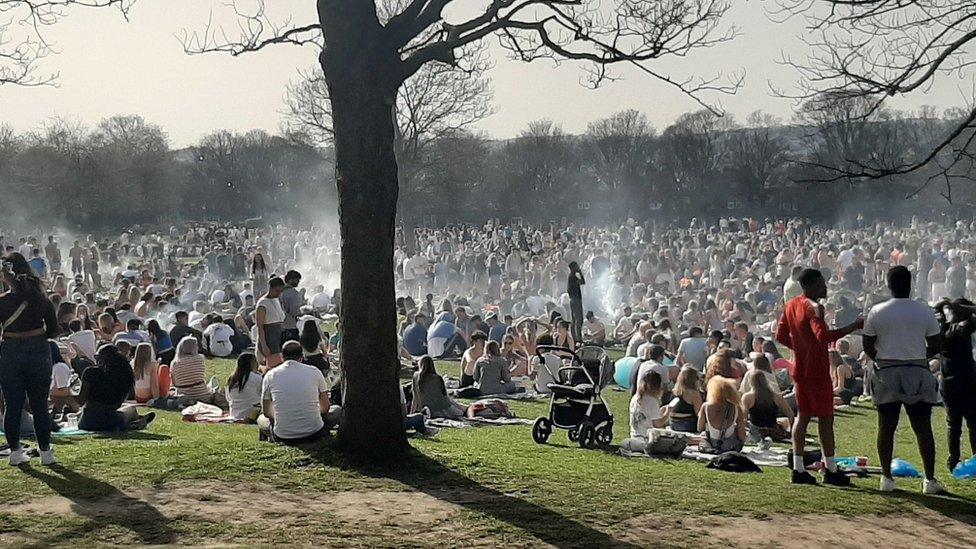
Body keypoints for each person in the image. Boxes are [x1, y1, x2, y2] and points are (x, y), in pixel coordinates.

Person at [775, 268, 862, 486]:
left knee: (803, 417)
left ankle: (798, 468)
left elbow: (780, 336)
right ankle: (831, 468)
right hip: (817, 371)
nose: (826, 287)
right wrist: (853, 326)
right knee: (825, 418)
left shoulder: (791, 304)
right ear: (812, 286)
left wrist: (801, 347)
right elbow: (823, 336)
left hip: (800, 369)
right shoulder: (814, 308)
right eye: (822, 283)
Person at [863, 266, 945, 494]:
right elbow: (936, 343)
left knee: (886, 427)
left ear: (888, 285)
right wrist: (920, 356)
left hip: (887, 371)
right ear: (911, 284)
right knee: (923, 428)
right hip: (917, 369)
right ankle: (929, 480)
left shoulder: (877, 311)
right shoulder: (924, 311)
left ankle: (887, 479)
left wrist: (883, 357)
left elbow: (868, 344)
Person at [0, 253, 59, 466]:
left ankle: (15, 452)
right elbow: (53, 329)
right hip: (38, 351)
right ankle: (45, 452)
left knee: (13, 404)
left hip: (10, 352)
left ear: (7, 275)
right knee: (40, 405)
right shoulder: (41, 299)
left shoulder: (3, 302)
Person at [258, 341, 340, 443]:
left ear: (282, 357)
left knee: (261, 418)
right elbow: (325, 408)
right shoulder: (314, 371)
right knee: (337, 410)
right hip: (315, 432)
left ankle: (266, 442)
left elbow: (266, 412)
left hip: (283, 435)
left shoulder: (270, 375)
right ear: (302, 357)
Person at [937, 299, 976, 472]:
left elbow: (936, 309)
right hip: (966, 381)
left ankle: (953, 460)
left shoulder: (942, 330)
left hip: (947, 382)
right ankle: (975, 458)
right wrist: (966, 308)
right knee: (973, 423)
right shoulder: (961, 329)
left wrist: (946, 304)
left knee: (953, 425)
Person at [78, 345, 156, 432]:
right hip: (111, 421)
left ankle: (136, 422)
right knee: (131, 409)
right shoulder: (124, 376)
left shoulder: (90, 372)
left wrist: (71, 392)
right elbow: (117, 404)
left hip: (87, 422)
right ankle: (136, 421)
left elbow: (80, 400)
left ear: (101, 358)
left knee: (129, 409)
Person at [621, 370, 670, 452]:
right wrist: (668, 412)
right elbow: (658, 424)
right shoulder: (652, 401)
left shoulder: (635, 398)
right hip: (647, 438)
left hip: (634, 435)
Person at [171, 336, 227, 407]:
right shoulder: (200, 358)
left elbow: (174, 383)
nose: (197, 347)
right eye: (196, 345)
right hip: (203, 397)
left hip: (184, 395)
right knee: (213, 381)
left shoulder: (174, 363)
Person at [741, 370, 794, 442]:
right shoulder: (776, 396)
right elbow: (790, 415)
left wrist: (742, 434)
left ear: (750, 382)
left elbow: (743, 418)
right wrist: (791, 432)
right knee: (784, 421)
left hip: (756, 432)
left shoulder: (747, 397)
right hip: (773, 430)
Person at [698, 376, 746, 453]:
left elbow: (699, 428)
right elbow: (741, 432)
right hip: (730, 445)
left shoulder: (705, 406)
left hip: (711, 444)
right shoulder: (736, 407)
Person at [256, 277, 287, 370]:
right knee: (274, 367)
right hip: (269, 337)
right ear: (270, 288)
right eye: (276, 291)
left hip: (280, 335)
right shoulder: (262, 303)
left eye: (281, 291)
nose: (279, 293)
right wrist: (264, 346)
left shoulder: (276, 300)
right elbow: (260, 327)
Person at [225, 352, 263, 422]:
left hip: (234, 413)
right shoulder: (256, 377)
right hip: (252, 412)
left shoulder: (232, 379)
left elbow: (228, 398)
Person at [668, 367, 702, 433]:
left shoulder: (675, 391)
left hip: (673, 423)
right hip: (687, 424)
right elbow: (698, 413)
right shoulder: (694, 393)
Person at [279, 270, 303, 343]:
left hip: (279, 326)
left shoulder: (279, 291)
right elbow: (294, 312)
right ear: (290, 280)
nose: (298, 282)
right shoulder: (294, 293)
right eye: (297, 280)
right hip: (291, 326)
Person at [567, 261, 585, 343]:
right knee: (578, 319)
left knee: (574, 319)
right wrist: (580, 273)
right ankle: (578, 337)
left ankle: (575, 337)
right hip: (575, 299)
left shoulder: (571, 277)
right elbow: (582, 282)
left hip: (572, 299)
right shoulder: (573, 277)